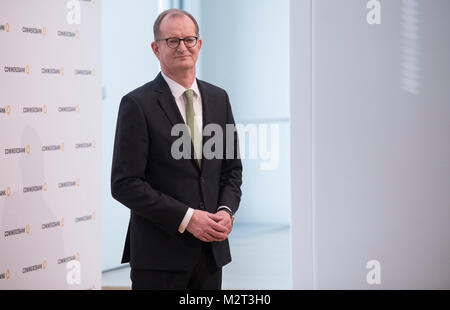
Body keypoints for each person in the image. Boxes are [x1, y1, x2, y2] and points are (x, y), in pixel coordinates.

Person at [110, 8, 243, 290]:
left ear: (199, 44)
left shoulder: (219, 99)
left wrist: (225, 210)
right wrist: (187, 218)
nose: (183, 46)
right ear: (156, 48)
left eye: (189, 39)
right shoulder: (137, 104)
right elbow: (125, 184)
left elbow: (231, 170)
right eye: (172, 41)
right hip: (159, 257)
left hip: (210, 254)